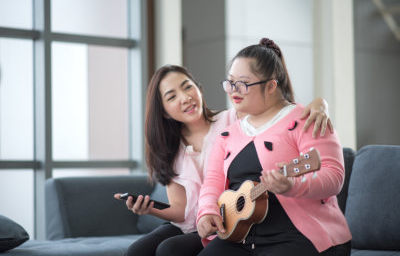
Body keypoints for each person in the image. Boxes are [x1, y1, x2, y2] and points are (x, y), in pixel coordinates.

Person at [114, 65, 333, 256]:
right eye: (172, 96)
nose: (185, 97)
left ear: (199, 88)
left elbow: (278, 113)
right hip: (189, 224)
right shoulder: (170, 148)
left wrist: (320, 103)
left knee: (169, 250)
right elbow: (181, 209)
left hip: (228, 221)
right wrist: (149, 209)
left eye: (187, 87)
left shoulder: (233, 120)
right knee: (136, 251)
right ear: (165, 113)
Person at [196, 38, 352, 256]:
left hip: (298, 236)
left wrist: (292, 186)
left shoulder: (308, 119)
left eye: (242, 83)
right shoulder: (228, 134)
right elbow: (211, 182)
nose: (233, 91)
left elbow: (333, 177)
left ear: (270, 86)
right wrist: (207, 211)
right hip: (240, 236)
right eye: (230, 82)